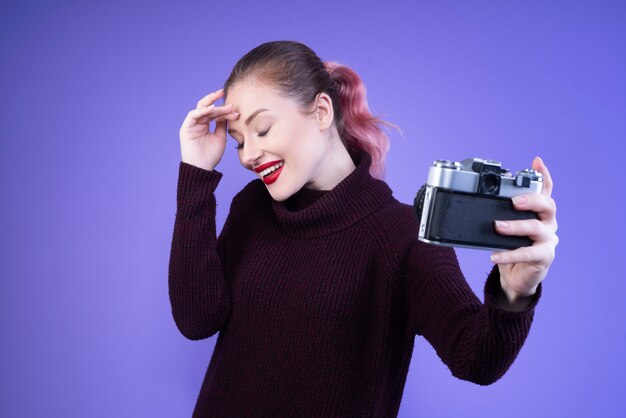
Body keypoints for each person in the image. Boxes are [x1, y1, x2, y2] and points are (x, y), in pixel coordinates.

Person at [168, 40, 559, 418]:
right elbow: (197, 320)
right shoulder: (252, 207)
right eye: (238, 141)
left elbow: (477, 360)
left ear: (321, 112)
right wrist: (196, 176)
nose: (248, 155)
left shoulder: (402, 238)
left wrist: (515, 292)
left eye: (263, 129)